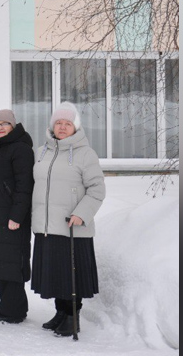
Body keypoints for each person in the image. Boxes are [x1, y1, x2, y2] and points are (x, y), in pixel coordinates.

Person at [32, 102, 106, 337]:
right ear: (52, 126)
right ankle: (60, 313)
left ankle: (73, 317)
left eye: (67, 124)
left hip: (72, 225)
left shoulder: (85, 154)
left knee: (72, 276)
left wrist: (80, 214)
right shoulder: (42, 151)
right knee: (55, 274)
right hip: (47, 225)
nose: (62, 127)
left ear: (75, 128)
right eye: (58, 123)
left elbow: (97, 189)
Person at [0, 109, 35, 324]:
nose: (0, 127)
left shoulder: (21, 150)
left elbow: (24, 187)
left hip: (11, 219)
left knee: (10, 266)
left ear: (13, 125)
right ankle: (8, 306)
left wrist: (17, 216)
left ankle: (14, 311)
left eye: (4, 123)